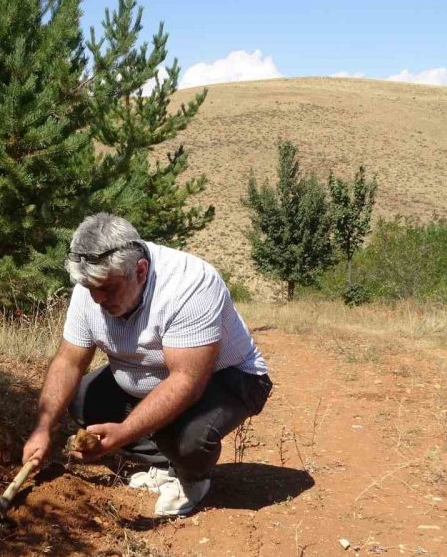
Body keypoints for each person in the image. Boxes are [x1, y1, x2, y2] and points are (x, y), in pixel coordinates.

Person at [22, 212, 273, 516]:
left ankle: (191, 477)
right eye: (90, 287)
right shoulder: (92, 288)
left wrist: (124, 432)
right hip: (156, 375)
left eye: (107, 288)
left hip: (230, 378)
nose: (97, 298)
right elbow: (68, 361)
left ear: (140, 271)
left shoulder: (190, 284)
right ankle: (166, 462)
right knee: (83, 399)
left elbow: (187, 381)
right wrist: (43, 428)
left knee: (184, 438)